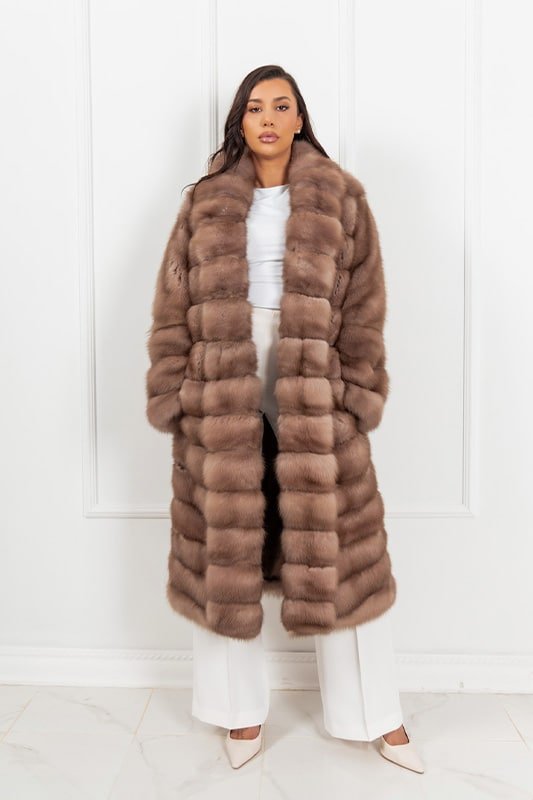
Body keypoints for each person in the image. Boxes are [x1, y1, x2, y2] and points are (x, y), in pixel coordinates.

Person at [145, 65, 424, 773]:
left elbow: (364, 304)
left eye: (281, 106)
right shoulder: (204, 203)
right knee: (226, 550)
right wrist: (175, 392)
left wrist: (356, 391)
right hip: (223, 378)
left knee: (341, 549)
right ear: (239, 122)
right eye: (254, 108)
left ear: (300, 119)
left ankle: (377, 715)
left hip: (315, 377)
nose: (267, 118)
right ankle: (237, 712)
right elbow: (174, 301)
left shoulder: (341, 197)